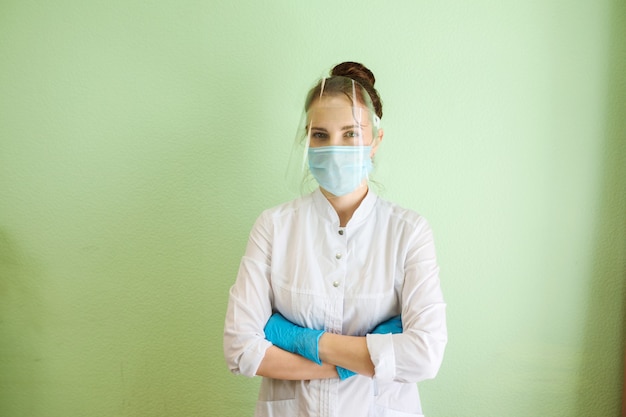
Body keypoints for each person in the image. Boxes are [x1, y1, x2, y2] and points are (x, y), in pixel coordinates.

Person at [223, 61, 447, 417]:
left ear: (375, 140)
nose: (334, 147)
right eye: (320, 134)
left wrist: (298, 339)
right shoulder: (274, 226)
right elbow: (239, 348)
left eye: (351, 133)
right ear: (306, 140)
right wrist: (357, 359)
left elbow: (425, 355)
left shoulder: (409, 232)